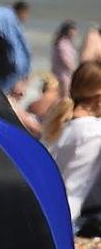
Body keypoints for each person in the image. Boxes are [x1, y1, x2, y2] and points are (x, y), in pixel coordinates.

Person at [41, 62, 101, 229]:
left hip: (44, 209)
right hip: (68, 220)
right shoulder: (94, 131)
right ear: (98, 98)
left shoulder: (58, 122)